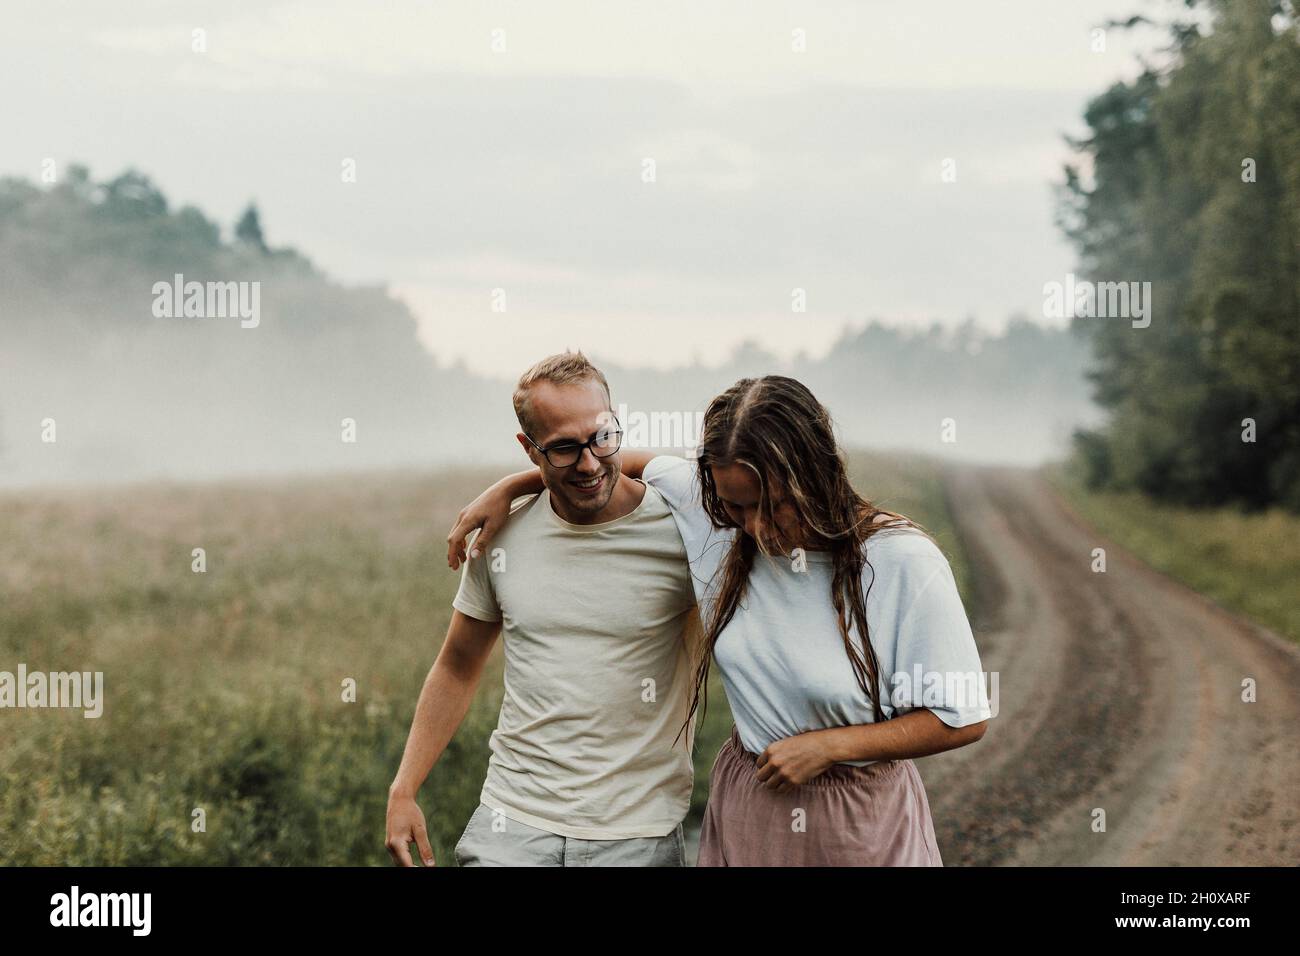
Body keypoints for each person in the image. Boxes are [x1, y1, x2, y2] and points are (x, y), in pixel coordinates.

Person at [449, 374, 992, 865]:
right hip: (748, 807)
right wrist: (514, 487)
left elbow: (962, 717)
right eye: (736, 506)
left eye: (773, 503)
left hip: (858, 820)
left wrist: (832, 745)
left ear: (816, 472)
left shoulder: (900, 561)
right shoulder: (709, 513)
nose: (753, 527)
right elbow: (610, 463)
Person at [386, 351, 698, 867]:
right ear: (528, 449)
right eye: (563, 449)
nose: (590, 463)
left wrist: (511, 482)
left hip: (637, 832)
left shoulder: (683, 529)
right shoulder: (500, 536)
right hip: (512, 822)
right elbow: (457, 667)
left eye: (602, 437)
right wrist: (403, 789)